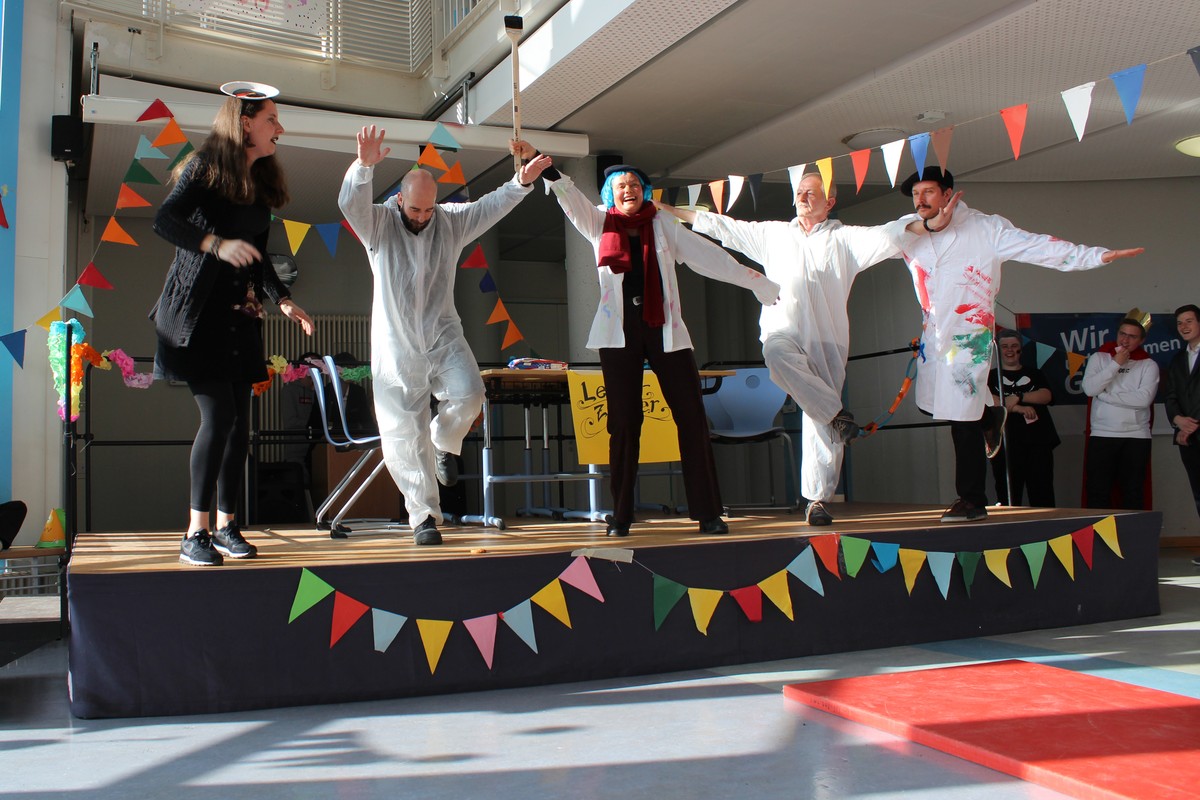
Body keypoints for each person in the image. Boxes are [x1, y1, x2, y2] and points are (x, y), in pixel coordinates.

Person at [520, 144, 780, 536]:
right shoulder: (598, 222)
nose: (628, 190)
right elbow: (569, 198)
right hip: (619, 332)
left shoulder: (663, 225)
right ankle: (621, 516)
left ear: (644, 191)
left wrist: (758, 283)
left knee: (691, 418)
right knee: (624, 424)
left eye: (634, 185)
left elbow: (710, 257)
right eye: (620, 186)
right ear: (610, 194)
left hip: (664, 328)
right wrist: (544, 166)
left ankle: (708, 513)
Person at [655, 173, 917, 526]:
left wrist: (924, 220)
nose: (803, 198)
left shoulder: (846, 239)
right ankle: (837, 415)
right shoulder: (773, 234)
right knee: (778, 358)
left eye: (812, 193)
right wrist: (668, 210)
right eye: (800, 192)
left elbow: (890, 234)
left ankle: (817, 500)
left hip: (828, 339)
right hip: (781, 330)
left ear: (830, 202)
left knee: (819, 418)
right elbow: (723, 227)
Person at [338, 127, 551, 546]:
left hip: (443, 334)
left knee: (471, 394)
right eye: (414, 209)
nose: (422, 217)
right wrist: (363, 166)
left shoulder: (449, 221)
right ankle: (423, 517)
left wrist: (520, 183)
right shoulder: (378, 223)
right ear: (399, 200)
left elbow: (489, 207)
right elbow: (350, 204)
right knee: (403, 433)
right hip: (396, 343)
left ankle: (444, 438)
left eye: (428, 209)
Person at [897, 166, 1143, 523]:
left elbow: (1037, 246)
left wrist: (1096, 256)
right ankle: (990, 415)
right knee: (933, 406)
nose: (920, 200)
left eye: (928, 192)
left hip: (970, 336)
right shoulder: (909, 230)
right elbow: (870, 243)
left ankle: (971, 500)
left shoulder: (985, 228)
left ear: (948, 194)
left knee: (961, 417)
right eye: (915, 194)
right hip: (933, 334)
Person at [151, 85, 314, 567]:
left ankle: (226, 526)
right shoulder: (205, 167)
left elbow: (259, 257)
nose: (279, 128)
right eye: (271, 119)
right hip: (195, 316)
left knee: (241, 426)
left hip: (239, 320)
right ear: (245, 123)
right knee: (219, 416)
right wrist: (214, 244)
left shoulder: (259, 183)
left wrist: (283, 300)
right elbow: (165, 220)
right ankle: (194, 533)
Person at [1082, 311, 1158, 510]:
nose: (1125, 340)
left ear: (1141, 340)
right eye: (1122, 334)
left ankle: (1131, 531)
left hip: (1136, 436)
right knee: (1098, 491)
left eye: (1132, 336)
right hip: (1102, 434)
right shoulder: (1099, 358)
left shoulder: (1148, 364)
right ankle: (1099, 530)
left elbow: (1143, 400)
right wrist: (1115, 364)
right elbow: (1090, 389)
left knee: (1133, 492)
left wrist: (1106, 396)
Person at [987, 329, 1059, 507]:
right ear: (998, 350)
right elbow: (990, 400)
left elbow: (1046, 395)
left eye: (1014, 346)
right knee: (1007, 492)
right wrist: (1019, 408)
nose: (1010, 350)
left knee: (1042, 490)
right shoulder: (990, 377)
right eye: (1005, 346)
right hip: (1005, 442)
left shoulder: (1035, 374)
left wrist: (1018, 396)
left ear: (1020, 349)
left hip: (1038, 441)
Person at [1163, 304, 1200, 565]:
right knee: (1198, 494)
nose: (1183, 326)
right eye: (1179, 323)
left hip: (1192, 430)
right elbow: (1171, 395)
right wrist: (1178, 421)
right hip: (1188, 438)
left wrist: (1191, 424)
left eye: (1189, 321)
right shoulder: (1177, 359)